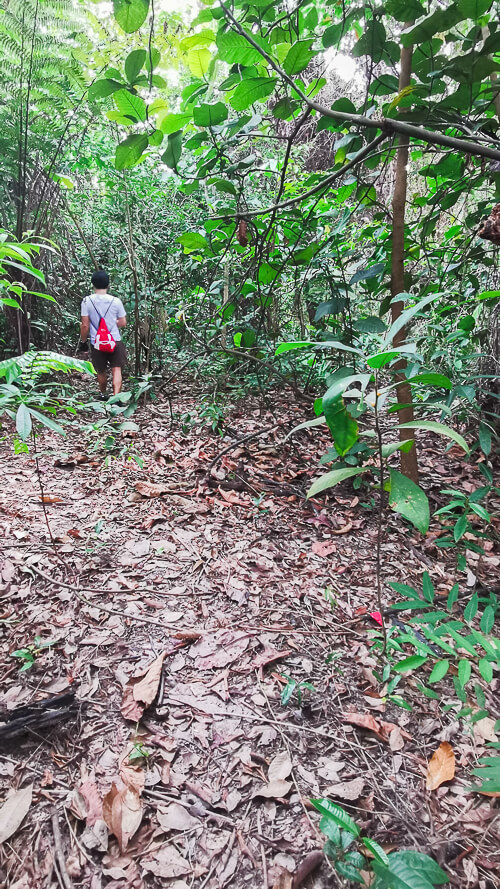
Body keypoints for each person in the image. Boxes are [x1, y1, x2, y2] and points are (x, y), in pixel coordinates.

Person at [79, 269, 127, 399]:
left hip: (97, 342)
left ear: (93, 284)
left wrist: (83, 342)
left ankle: (103, 394)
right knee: (116, 369)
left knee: (101, 370)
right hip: (114, 340)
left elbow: (85, 324)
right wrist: (111, 322)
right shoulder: (116, 301)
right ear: (108, 284)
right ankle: (116, 397)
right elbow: (123, 322)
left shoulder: (86, 301)